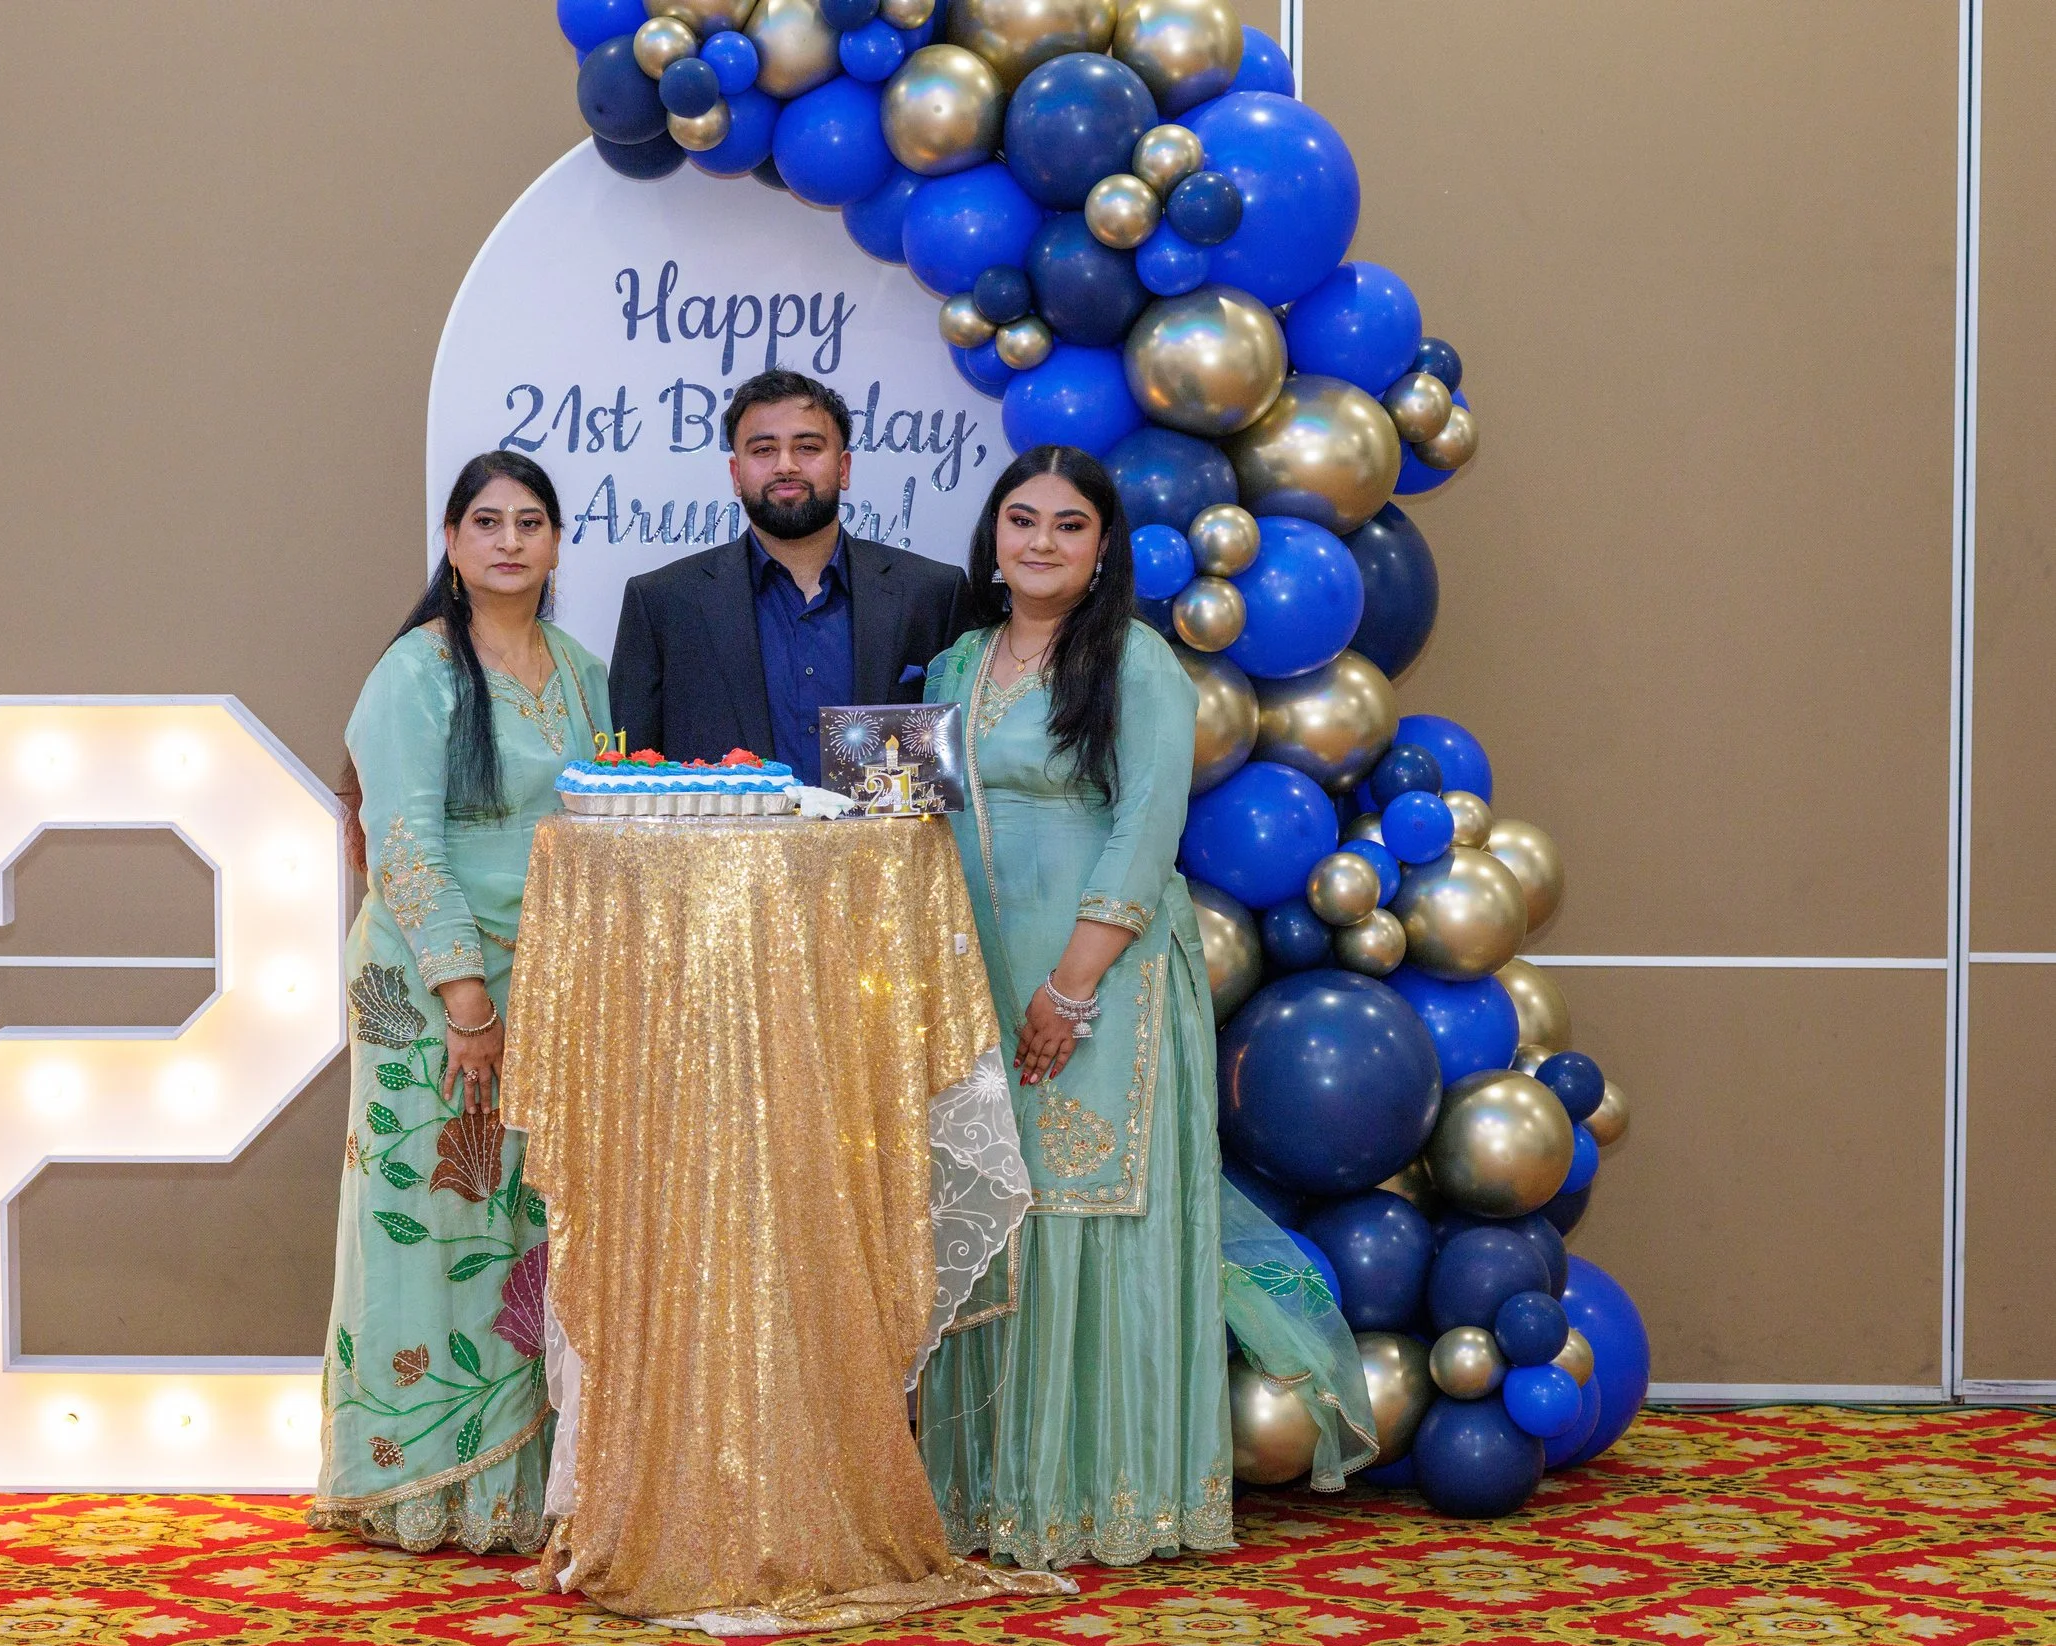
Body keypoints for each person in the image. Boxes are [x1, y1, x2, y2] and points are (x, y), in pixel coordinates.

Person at [916, 446, 1379, 1569]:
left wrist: (1068, 991)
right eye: (1020, 520)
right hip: (972, 978)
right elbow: (919, 822)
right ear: (992, 538)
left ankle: (1103, 1497)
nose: (1038, 542)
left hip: (1102, 988)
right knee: (992, 1223)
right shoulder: (952, 666)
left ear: (1103, 547)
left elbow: (1142, 829)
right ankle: (988, 1493)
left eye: (1067, 525)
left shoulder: (1136, 664)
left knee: (1087, 1223)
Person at [310, 451, 609, 1555]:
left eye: (531, 522)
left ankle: (517, 1481)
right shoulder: (416, 672)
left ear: (557, 543)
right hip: (430, 985)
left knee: (525, 1227)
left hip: (550, 980)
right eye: (485, 521)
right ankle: (413, 1480)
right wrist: (466, 999)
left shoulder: (580, 673)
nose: (509, 541)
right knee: (430, 1215)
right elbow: (406, 845)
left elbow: (599, 828)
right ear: (450, 541)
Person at [608, 368, 971, 776]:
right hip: (722, 841)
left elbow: (965, 764)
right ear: (736, 475)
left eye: (808, 447)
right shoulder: (661, 602)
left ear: (844, 467)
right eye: (763, 450)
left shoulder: (933, 593)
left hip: (884, 841)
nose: (786, 466)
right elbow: (632, 781)